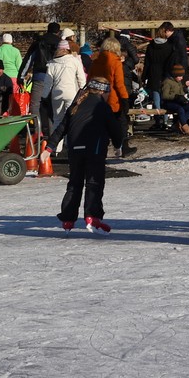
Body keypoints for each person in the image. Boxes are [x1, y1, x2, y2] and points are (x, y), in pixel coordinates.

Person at [51, 77, 117, 232]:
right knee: (94, 182)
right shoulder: (102, 106)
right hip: (94, 149)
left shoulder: (76, 104)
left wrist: (49, 147)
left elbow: (62, 127)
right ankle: (92, 217)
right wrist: (119, 144)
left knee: (74, 183)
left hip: (74, 149)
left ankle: (68, 219)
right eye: (108, 92)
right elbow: (114, 128)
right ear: (102, 91)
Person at [85, 34, 132, 157]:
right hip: (112, 98)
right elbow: (119, 83)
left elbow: (89, 80)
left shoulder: (95, 61)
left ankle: (101, 150)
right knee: (121, 123)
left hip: (97, 98)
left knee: (101, 126)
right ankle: (122, 147)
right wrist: (125, 99)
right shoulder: (115, 62)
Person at [44, 38, 87, 141]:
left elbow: (48, 83)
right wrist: (83, 91)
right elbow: (81, 78)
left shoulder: (52, 63)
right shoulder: (74, 61)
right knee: (71, 119)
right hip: (71, 93)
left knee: (57, 120)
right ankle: (69, 144)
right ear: (68, 49)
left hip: (56, 94)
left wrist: (44, 96)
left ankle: (55, 146)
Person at [144, 22, 186, 112]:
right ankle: (165, 118)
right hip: (165, 72)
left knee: (156, 95)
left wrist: (144, 76)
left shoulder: (150, 46)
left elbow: (147, 63)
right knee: (165, 96)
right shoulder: (170, 46)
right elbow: (174, 60)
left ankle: (157, 115)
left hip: (153, 73)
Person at [161, 61, 189, 136]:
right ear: (175, 75)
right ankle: (186, 128)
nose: (181, 78)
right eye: (180, 76)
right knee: (180, 109)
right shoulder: (167, 82)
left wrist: (188, 100)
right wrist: (176, 96)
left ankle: (179, 123)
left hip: (178, 102)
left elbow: (182, 94)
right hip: (169, 102)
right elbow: (165, 96)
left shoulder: (179, 83)